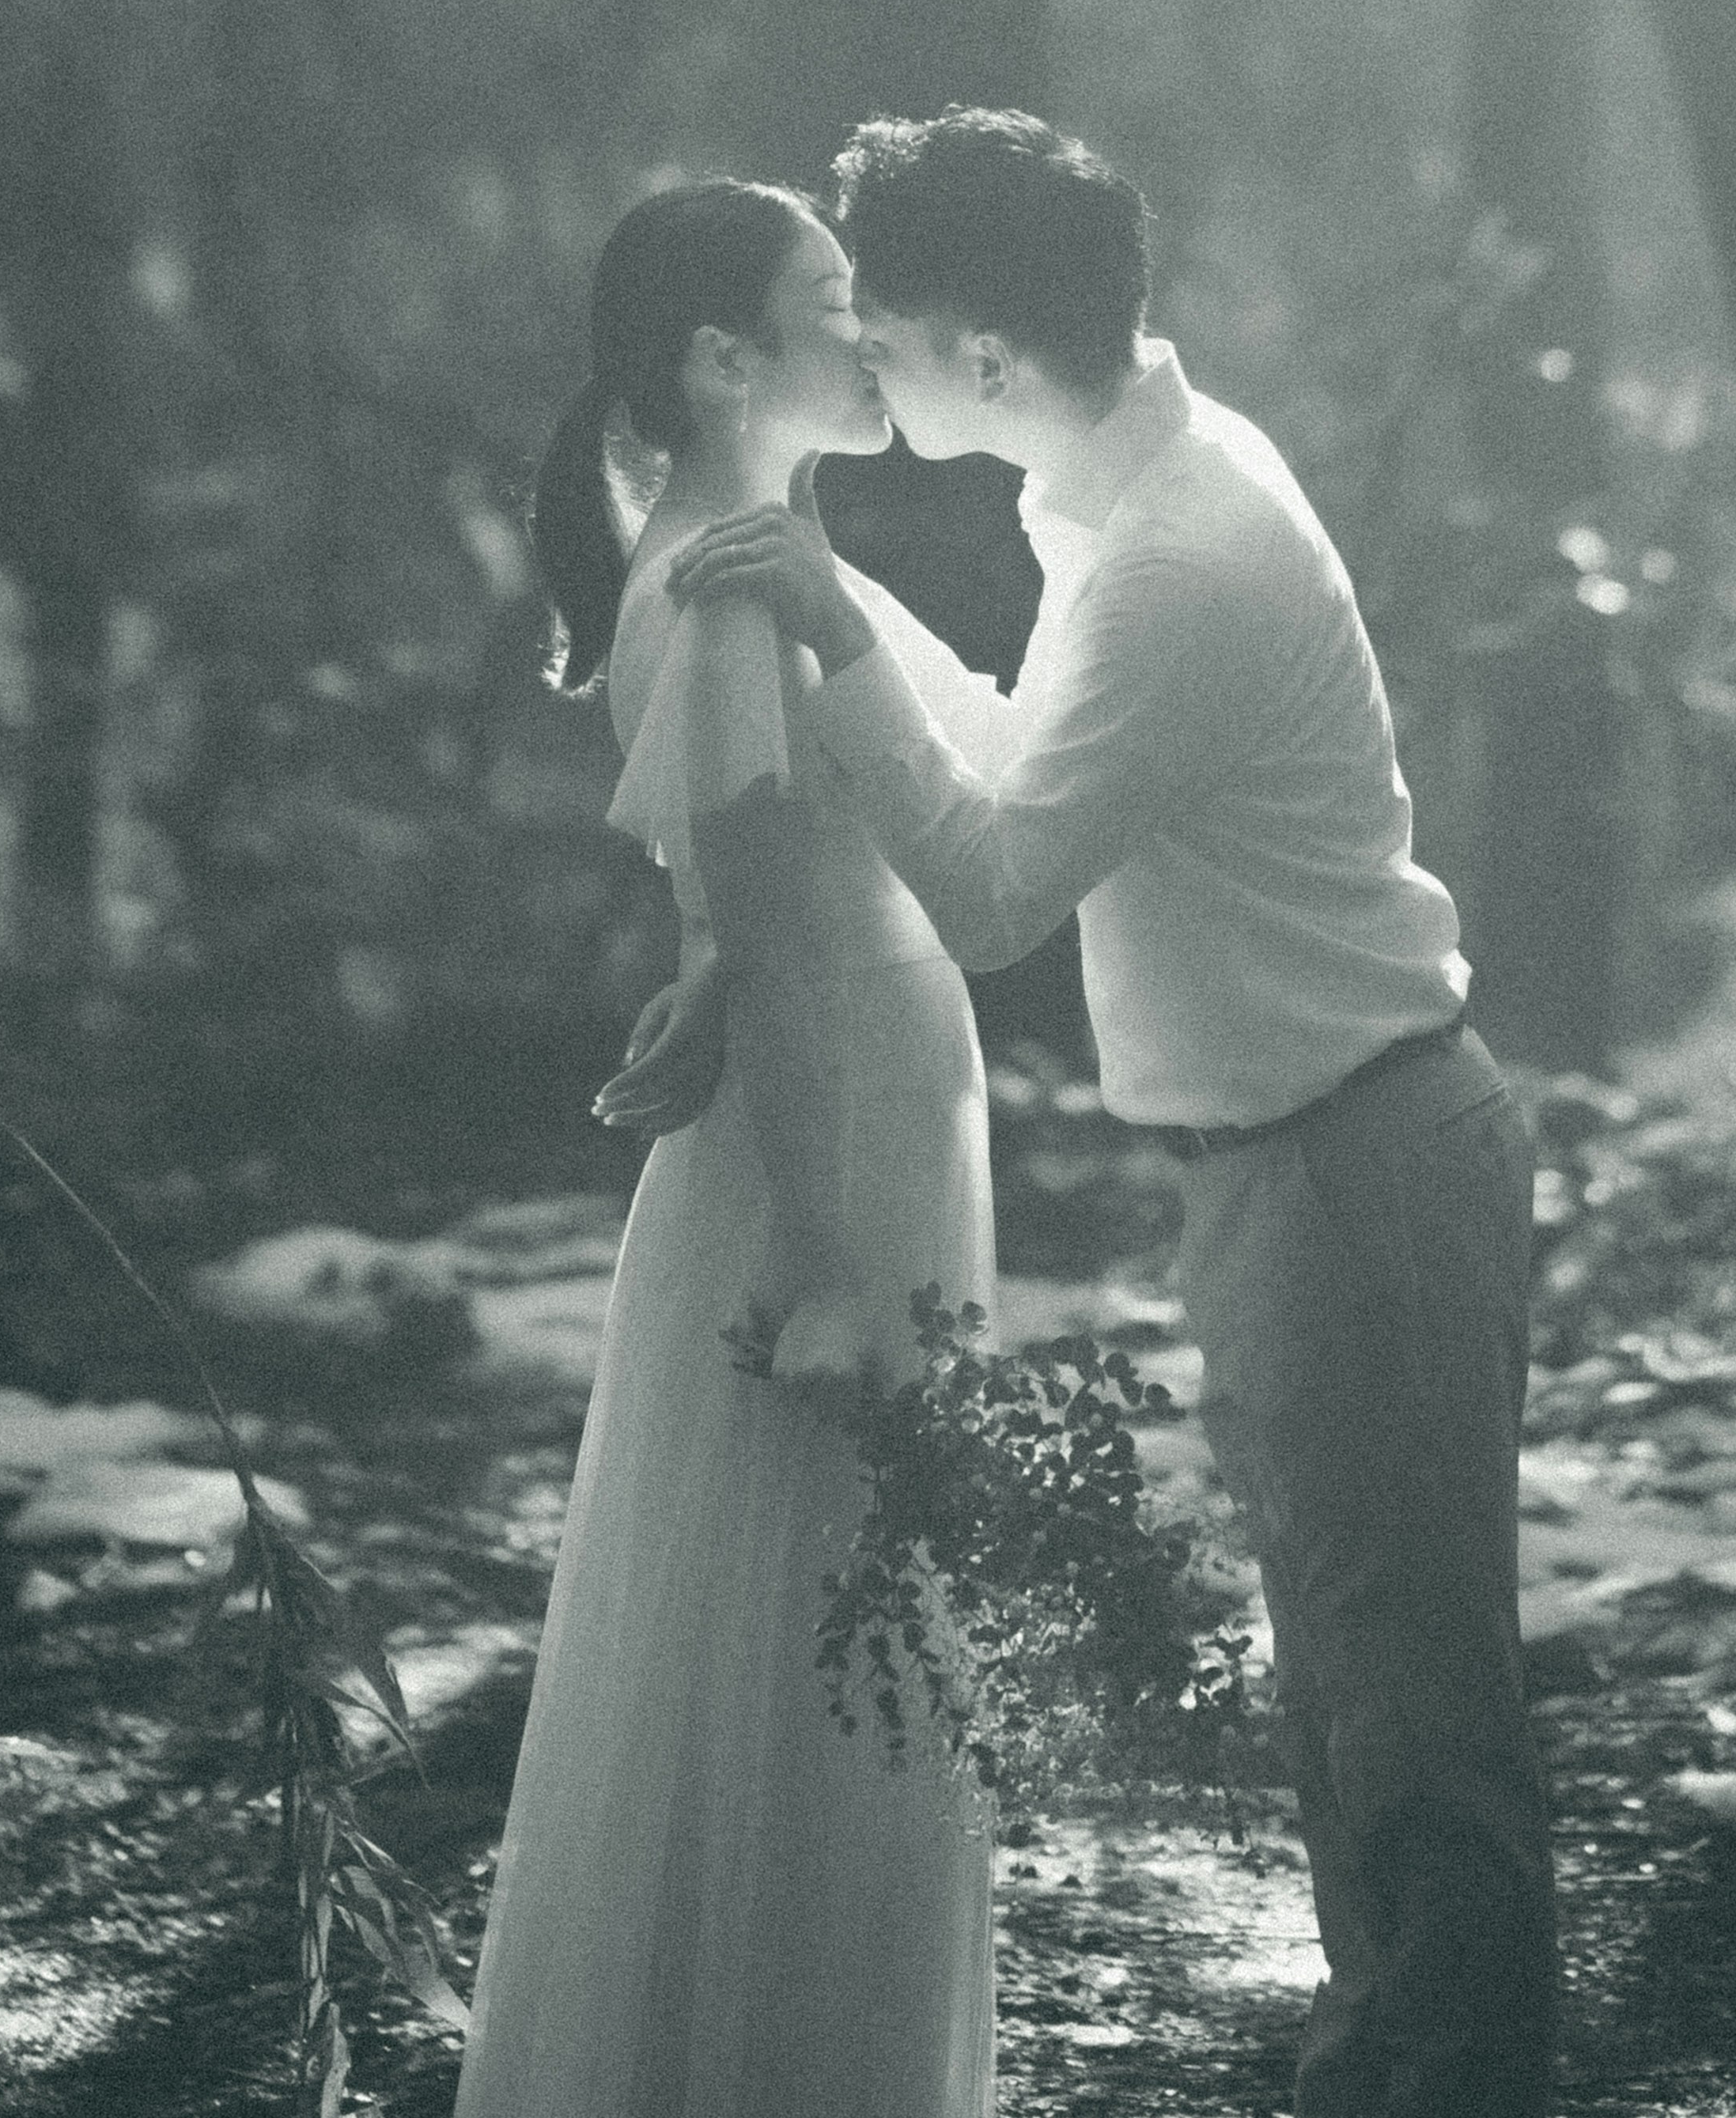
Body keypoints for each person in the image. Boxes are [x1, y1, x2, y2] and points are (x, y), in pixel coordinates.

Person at [667, 108, 1556, 2118]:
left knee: (1414, 1708)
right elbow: (1015, 780)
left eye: (882, 330)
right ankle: (1388, 2071)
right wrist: (848, 608)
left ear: (985, 357)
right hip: (1306, 1159)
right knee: (1356, 1687)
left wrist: (823, 621)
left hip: (1357, 1160)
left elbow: (991, 892)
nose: (866, 364)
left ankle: (1442, 2079)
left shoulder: (1177, 553)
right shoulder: (1122, 492)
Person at [451, 177, 1008, 2118]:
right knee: (809, 1648)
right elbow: (774, 932)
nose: (871, 336)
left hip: (851, 1102)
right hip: (830, 1149)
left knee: (791, 1641)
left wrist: (714, 972)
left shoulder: (733, 557)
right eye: (834, 300)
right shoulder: (719, 584)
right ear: (721, 358)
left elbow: (749, 903)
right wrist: (837, 1260)